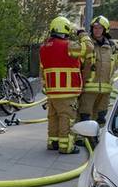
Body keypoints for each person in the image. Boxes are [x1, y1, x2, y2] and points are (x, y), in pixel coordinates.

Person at [40, 17, 93, 154]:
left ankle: (53, 142)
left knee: (53, 118)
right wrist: (82, 34)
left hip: (52, 92)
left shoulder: (44, 47)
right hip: (67, 91)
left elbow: (42, 69)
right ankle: (66, 146)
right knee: (66, 118)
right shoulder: (68, 46)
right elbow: (89, 48)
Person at [78, 15, 118, 125]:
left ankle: (99, 135)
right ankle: (82, 135)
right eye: (95, 28)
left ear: (105, 30)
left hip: (105, 90)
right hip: (88, 89)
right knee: (85, 117)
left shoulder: (111, 46)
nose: (97, 30)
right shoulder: (88, 45)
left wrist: (113, 67)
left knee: (100, 117)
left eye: (100, 28)